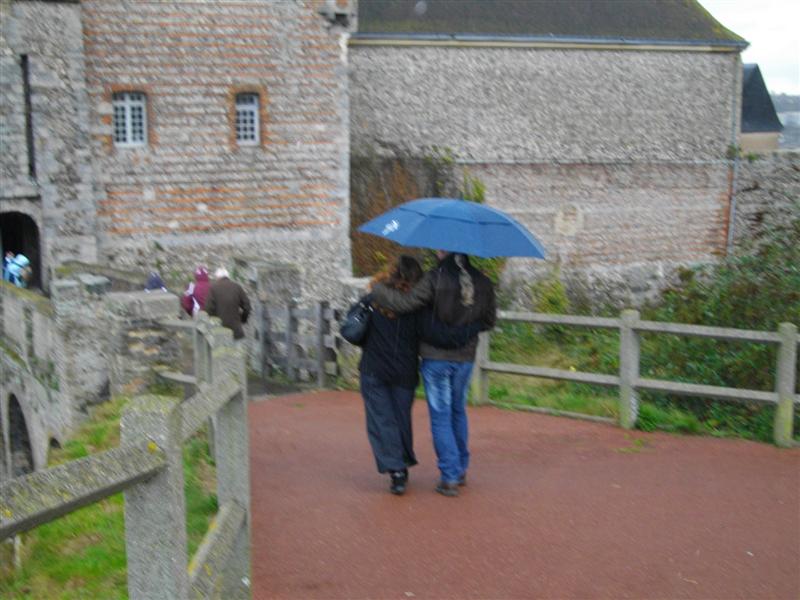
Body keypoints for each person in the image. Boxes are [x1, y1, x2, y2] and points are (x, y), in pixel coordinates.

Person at [370, 251, 496, 497]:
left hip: (436, 358)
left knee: (440, 417)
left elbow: (403, 304)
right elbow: (489, 321)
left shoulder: (433, 278)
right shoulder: (483, 281)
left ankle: (449, 476)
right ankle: (459, 470)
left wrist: (377, 289)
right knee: (458, 412)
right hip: (465, 359)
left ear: (442, 250)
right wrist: (464, 329)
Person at [205, 267, 251, 340]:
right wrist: (243, 319)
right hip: (236, 329)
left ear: (217, 277)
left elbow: (208, 309)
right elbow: (247, 306)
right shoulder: (237, 287)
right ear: (227, 276)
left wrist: (213, 321)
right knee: (237, 351)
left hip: (219, 330)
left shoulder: (213, 288)